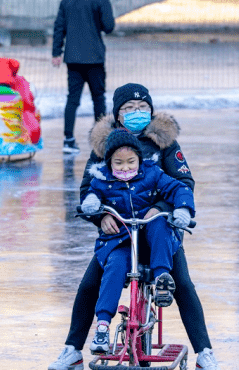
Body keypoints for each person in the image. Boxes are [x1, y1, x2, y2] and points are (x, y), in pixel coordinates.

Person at [49, 82, 222, 370]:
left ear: (151, 111)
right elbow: (89, 190)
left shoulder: (165, 143)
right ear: (118, 115)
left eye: (142, 108)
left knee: (181, 283)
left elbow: (184, 184)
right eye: (129, 109)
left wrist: (164, 210)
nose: (136, 113)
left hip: (159, 231)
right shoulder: (105, 145)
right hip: (119, 234)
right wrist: (100, 217)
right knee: (91, 282)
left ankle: (205, 354)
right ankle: (72, 350)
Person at [80, 129, 195, 353]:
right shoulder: (103, 180)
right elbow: (90, 194)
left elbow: (179, 187)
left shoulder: (152, 173)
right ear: (109, 162)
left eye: (131, 161)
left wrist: (182, 209)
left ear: (139, 160)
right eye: (118, 163)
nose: (125, 168)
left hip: (148, 238)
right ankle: (102, 325)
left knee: (159, 224)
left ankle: (162, 277)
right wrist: (94, 205)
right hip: (120, 239)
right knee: (114, 266)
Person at [51, 0, 115, 154]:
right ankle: (101, 140)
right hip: (94, 57)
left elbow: (58, 27)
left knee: (72, 99)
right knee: (98, 98)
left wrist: (56, 52)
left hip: (72, 59)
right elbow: (109, 26)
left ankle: (68, 140)